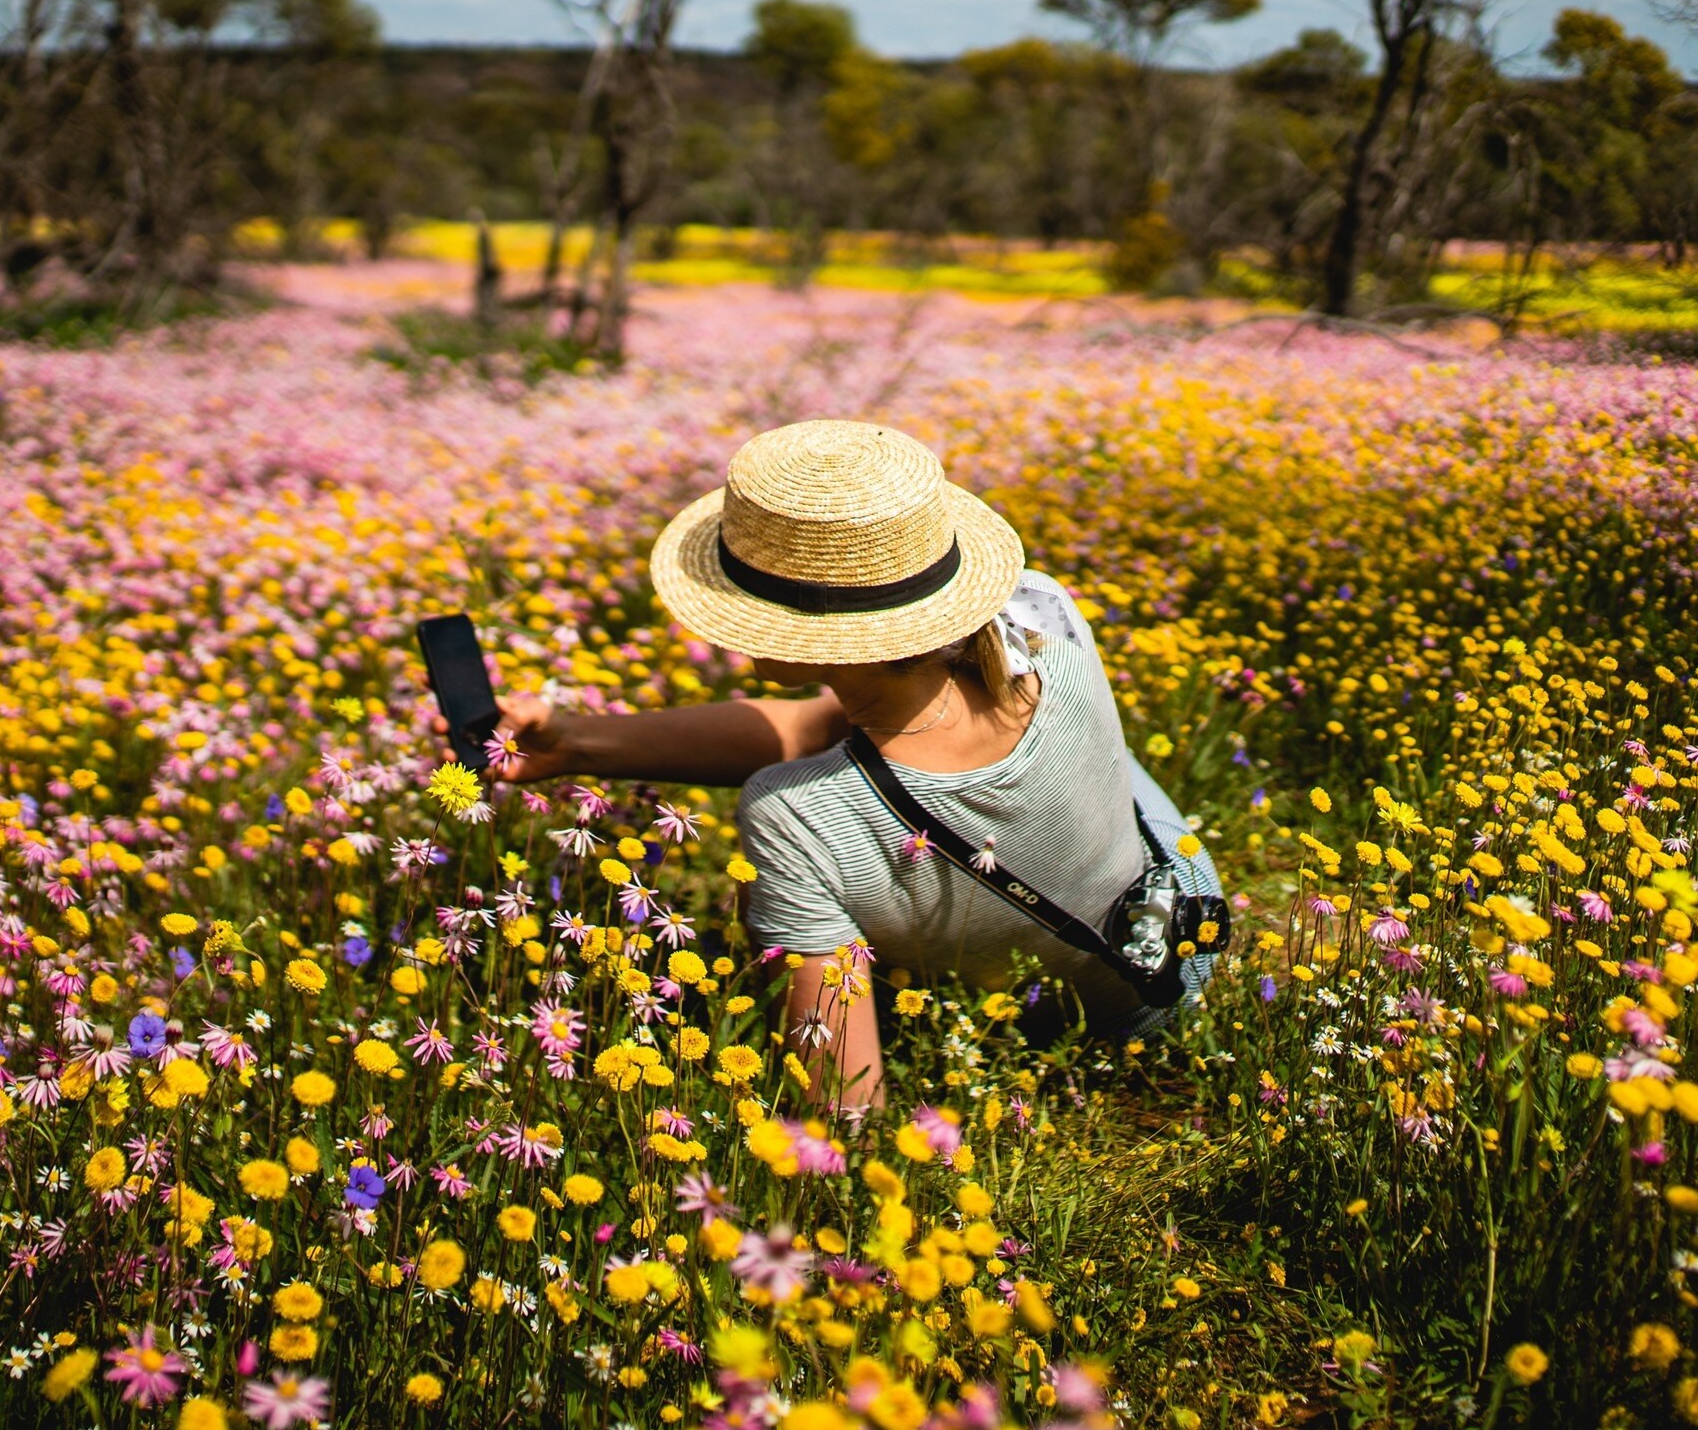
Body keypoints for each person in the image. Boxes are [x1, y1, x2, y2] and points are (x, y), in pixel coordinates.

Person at [493, 417, 1216, 1111]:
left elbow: (845, 1096)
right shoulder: (1038, 613)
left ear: (804, 632)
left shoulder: (793, 815)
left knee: (815, 840)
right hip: (1186, 926)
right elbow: (818, 727)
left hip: (1080, 1036)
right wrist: (578, 743)